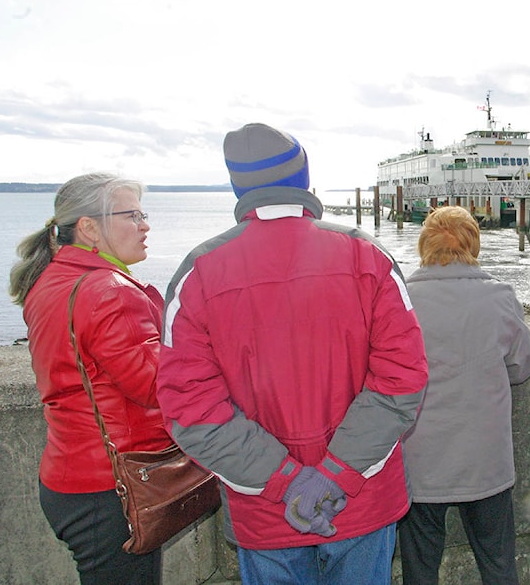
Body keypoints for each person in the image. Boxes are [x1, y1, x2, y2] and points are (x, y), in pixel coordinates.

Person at [155, 123, 428, 585]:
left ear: (237, 186)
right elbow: (402, 379)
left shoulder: (197, 274)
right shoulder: (367, 256)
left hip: (265, 509)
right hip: (361, 499)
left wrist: (288, 481)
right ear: (303, 179)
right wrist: (333, 473)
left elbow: (190, 408)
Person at [9, 173, 169, 584]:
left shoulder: (49, 281)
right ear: (89, 227)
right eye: (132, 215)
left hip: (72, 477)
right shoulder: (110, 289)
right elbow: (156, 386)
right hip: (111, 487)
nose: (145, 224)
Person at [398, 206, 530, 585]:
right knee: (497, 563)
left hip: (420, 458)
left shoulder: (402, 300)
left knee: (420, 566)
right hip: (485, 458)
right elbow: (523, 363)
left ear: (424, 246)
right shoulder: (498, 296)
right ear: (473, 246)